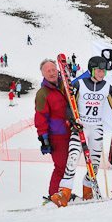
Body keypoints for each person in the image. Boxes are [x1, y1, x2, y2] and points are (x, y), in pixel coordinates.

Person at [51, 56, 112, 207]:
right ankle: (64, 192)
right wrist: (74, 121)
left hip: (97, 128)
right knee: (73, 158)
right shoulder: (79, 84)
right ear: (91, 70)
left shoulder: (107, 87)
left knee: (94, 163)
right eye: (99, 70)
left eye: (104, 71)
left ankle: (88, 191)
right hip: (81, 127)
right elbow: (69, 106)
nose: (102, 73)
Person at [35, 59, 71, 200]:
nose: (52, 73)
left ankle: (65, 192)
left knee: (70, 166)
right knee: (61, 167)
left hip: (73, 131)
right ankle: (54, 195)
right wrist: (44, 139)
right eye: (48, 71)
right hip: (57, 136)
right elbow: (40, 117)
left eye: (53, 69)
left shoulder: (67, 86)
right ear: (43, 74)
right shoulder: (43, 93)